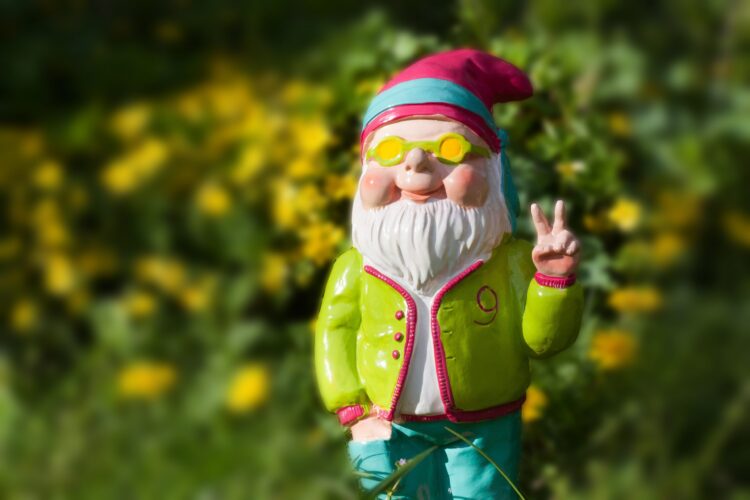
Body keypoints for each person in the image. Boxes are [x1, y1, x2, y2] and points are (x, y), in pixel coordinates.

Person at [314, 49, 583, 499]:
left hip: (485, 425)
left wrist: (553, 283)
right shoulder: (357, 267)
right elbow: (335, 331)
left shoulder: (511, 262)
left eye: (450, 149)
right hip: (386, 423)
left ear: (493, 169)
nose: (416, 164)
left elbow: (542, 342)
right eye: (390, 150)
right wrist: (352, 407)